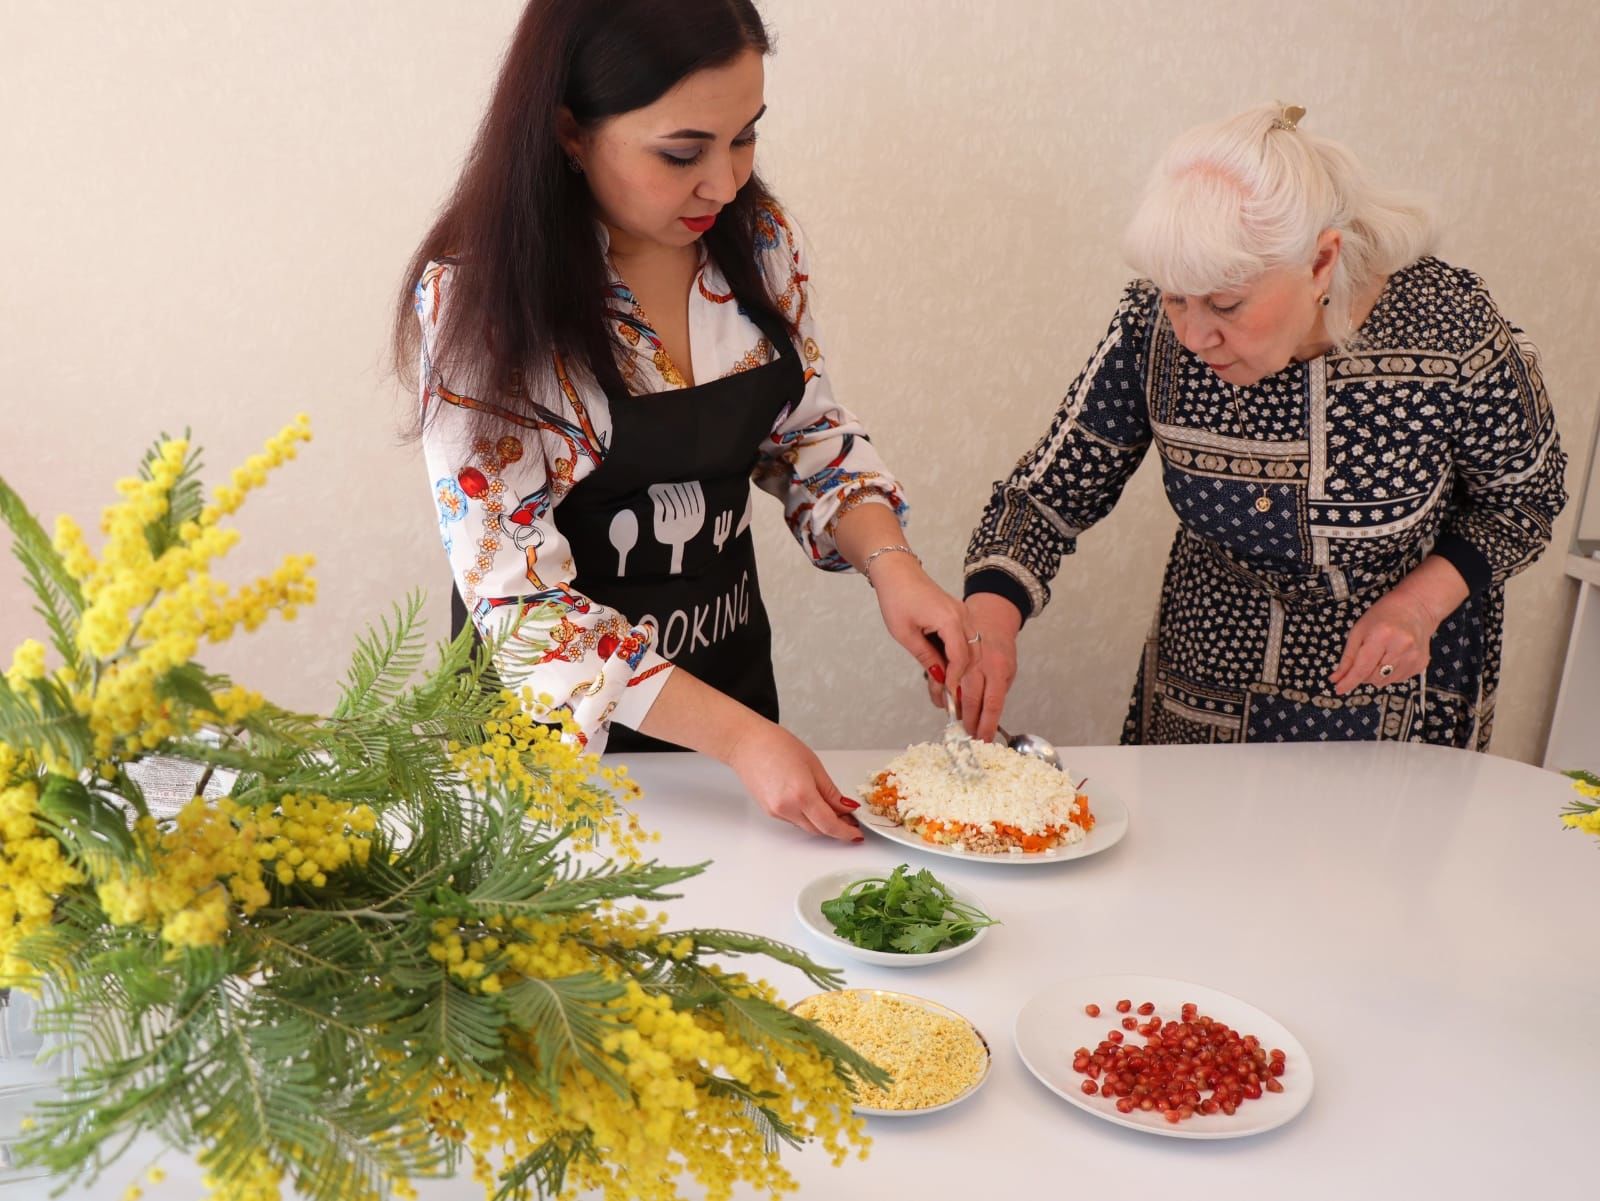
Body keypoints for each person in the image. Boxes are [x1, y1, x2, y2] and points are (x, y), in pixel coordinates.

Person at [395, 0, 975, 841]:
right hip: (547, 761)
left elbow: (806, 436)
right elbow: (520, 603)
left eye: (746, 136)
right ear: (569, 131)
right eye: (682, 152)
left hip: (728, 701)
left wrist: (894, 567)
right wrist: (741, 739)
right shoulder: (480, 304)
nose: (726, 182)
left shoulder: (759, 243)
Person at [957, 103, 1566, 749]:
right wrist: (990, 618)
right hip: (1208, 683)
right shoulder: (1151, 327)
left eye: (1226, 303)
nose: (1194, 334)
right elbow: (1049, 494)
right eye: (1175, 297)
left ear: (1320, 263)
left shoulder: (1446, 326)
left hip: (1394, 688)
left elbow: (1525, 497)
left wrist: (1420, 605)